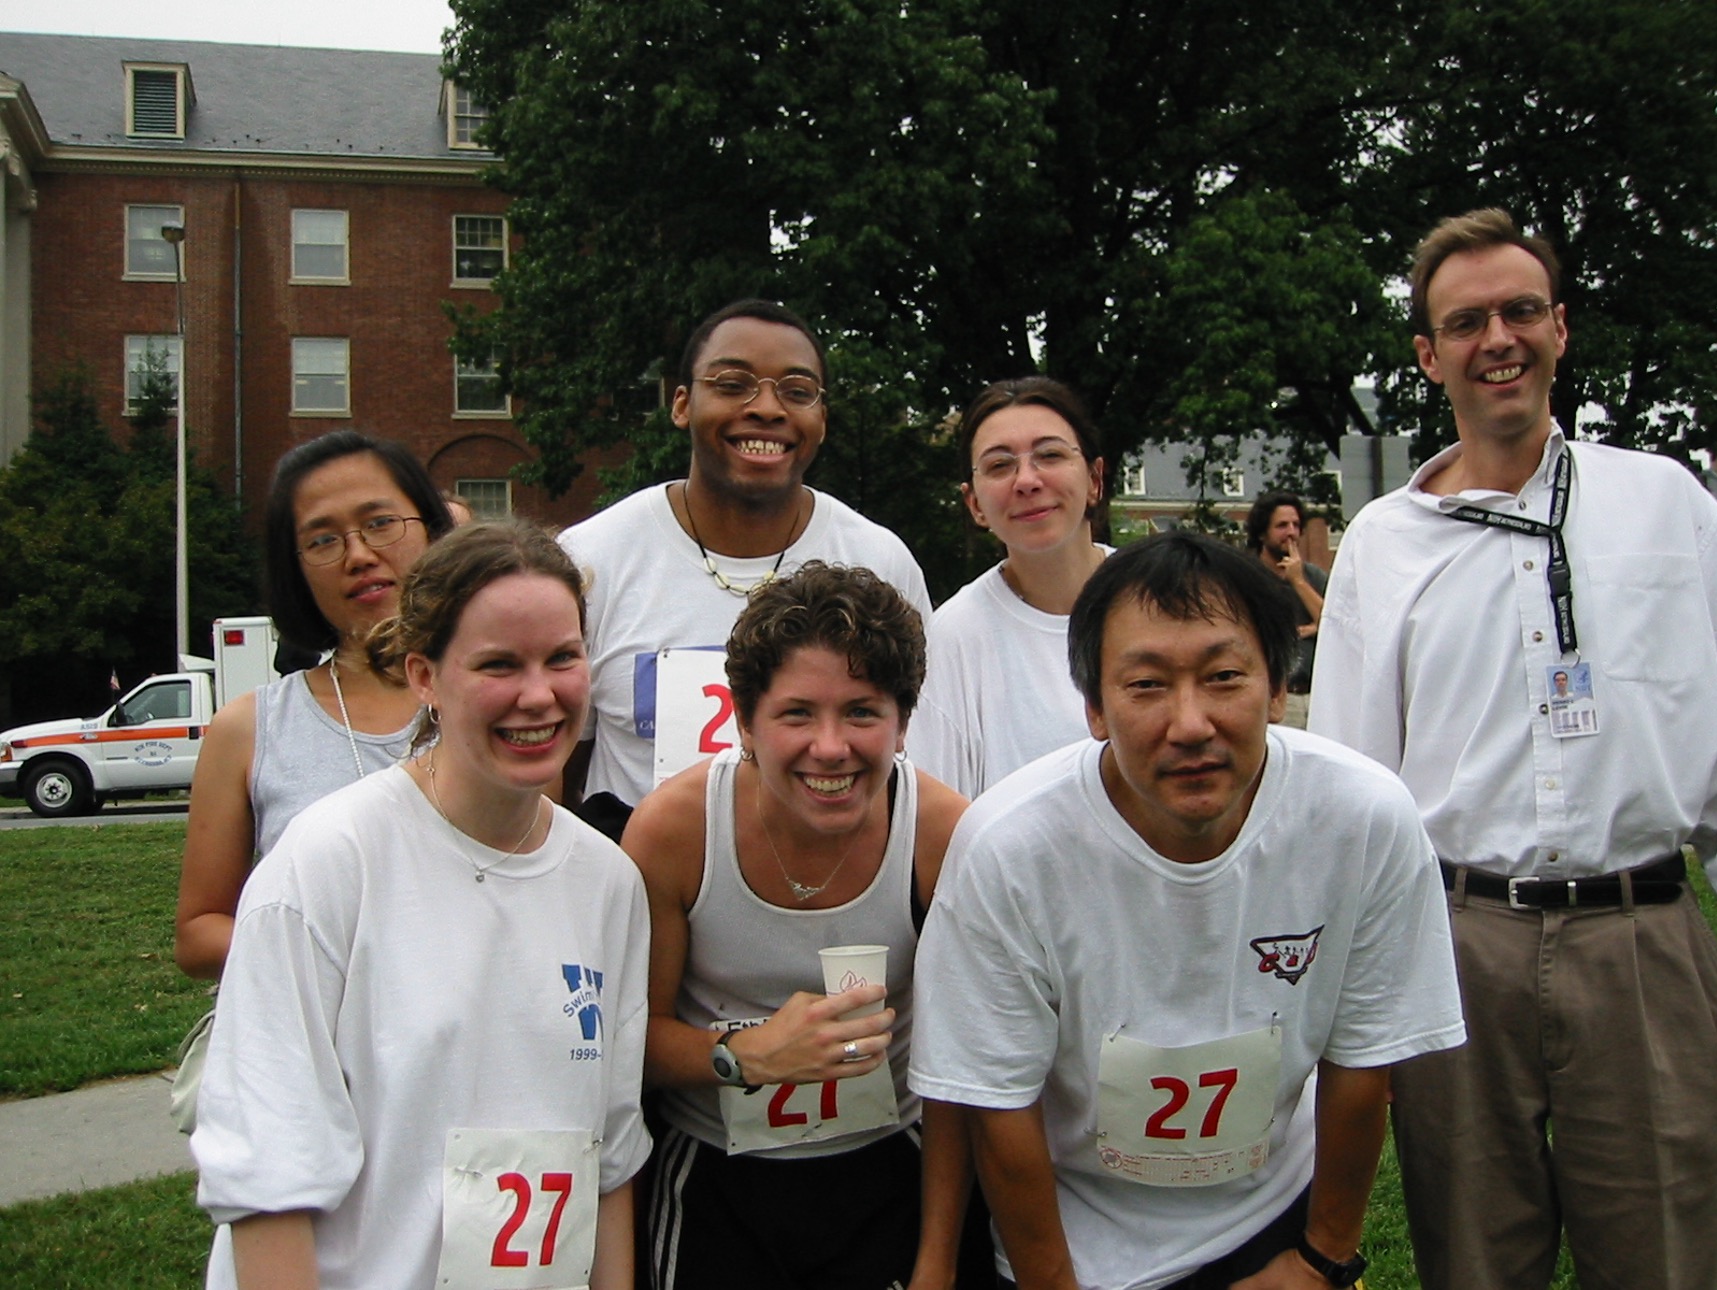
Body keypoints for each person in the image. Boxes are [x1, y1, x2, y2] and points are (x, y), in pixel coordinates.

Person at [1309, 208, 1717, 1290]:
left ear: (1559, 328)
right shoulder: (1381, 547)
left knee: (1666, 1249)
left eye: (1520, 311)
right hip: (1459, 949)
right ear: (1427, 354)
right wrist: (1355, 996)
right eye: (1466, 320)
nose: (1497, 336)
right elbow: (1356, 780)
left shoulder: (1665, 502)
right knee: (1473, 1254)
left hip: (1645, 939)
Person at [911, 533, 1465, 1290]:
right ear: (1094, 708)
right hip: (1074, 1238)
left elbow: (1362, 1060)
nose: (1192, 722)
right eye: (1145, 685)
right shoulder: (1009, 849)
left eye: (1224, 676)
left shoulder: (1363, 818)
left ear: (1277, 688)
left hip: (1274, 1217)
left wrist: (1321, 1260)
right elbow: (1001, 1105)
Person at [192, 520, 651, 1290]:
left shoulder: (607, 881)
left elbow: (607, 1161)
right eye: (498, 665)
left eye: (562, 658)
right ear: (425, 678)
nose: (538, 696)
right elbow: (268, 1179)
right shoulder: (328, 864)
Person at [621, 562, 972, 1290]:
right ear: (745, 721)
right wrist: (746, 1056)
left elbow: (963, 1069)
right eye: (797, 714)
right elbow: (628, 1042)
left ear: (903, 722)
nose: (831, 747)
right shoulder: (677, 830)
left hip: (888, 1163)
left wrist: (938, 1261)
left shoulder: (942, 836)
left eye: (862, 712)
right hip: (716, 1175)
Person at [559, 299, 932, 831]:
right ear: (682, 404)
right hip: (643, 894)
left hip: (828, 891)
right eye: (732, 384)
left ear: (821, 420)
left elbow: (913, 764)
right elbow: (555, 771)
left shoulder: (880, 562)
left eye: (797, 391)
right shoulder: (591, 561)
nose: (766, 408)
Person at [175, 430, 455, 979]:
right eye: (323, 540)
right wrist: (346, 952)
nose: (358, 555)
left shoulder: (509, 700)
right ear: (295, 569)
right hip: (313, 1040)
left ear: (431, 527)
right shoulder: (249, 729)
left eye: (380, 523)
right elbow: (199, 932)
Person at [910, 377, 1109, 798]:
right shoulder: (955, 638)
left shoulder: (1164, 600)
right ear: (975, 504)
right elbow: (940, 817)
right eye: (1000, 465)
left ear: (1095, 478)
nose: (1027, 480)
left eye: (1050, 455)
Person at [1243, 492, 1325, 730]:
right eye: (1281, 526)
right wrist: (1310, 628)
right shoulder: (1248, 576)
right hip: (1277, 698)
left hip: (1316, 696)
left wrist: (1299, 582)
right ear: (1262, 533)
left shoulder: (1313, 577)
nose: (1291, 533)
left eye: (1296, 525)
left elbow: (1334, 625)